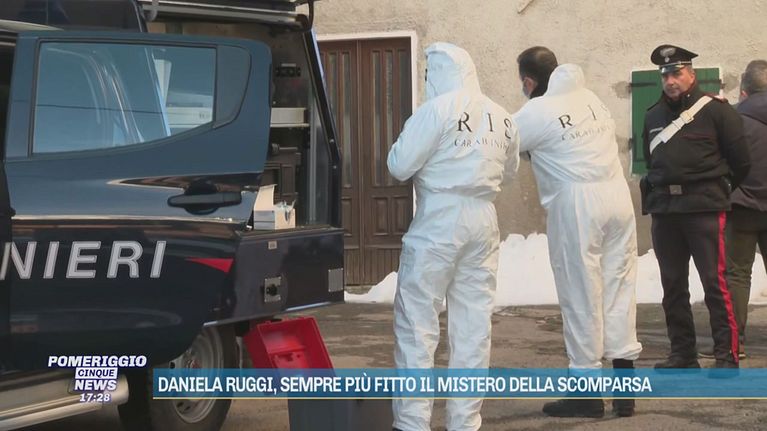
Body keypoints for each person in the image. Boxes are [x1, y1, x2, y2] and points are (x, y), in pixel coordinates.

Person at [387, 42, 520, 431]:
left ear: (437, 74)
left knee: (417, 323)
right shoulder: (502, 116)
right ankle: (465, 421)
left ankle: (412, 423)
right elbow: (509, 171)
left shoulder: (436, 110)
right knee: (473, 326)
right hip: (483, 218)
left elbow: (399, 165)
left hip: (439, 218)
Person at [512, 46, 642, 418]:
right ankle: (625, 391)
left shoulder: (536, 111)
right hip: (616, 196)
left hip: (577, 202)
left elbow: (504, 144)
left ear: (528, 82)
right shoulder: (590, 99)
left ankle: (586, 394)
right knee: (619, 289)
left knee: (581, 294)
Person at [641, 45, 751, 369]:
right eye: (665, 75)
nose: (670, 81)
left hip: (703, 209)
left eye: (677, 73)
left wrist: (718, 191)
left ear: (691, 74)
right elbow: (651, 159)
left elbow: (742, 162)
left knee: (715, 285)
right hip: (665, 210)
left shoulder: (717, 112)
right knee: (673, 286)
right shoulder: (652, 115)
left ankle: (726, 355)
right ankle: (682, 353)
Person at [725, 59, 767, 359]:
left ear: (744, 90)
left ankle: (734, 342)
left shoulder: (733, 119)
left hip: (741, 207)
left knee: (737, 274)